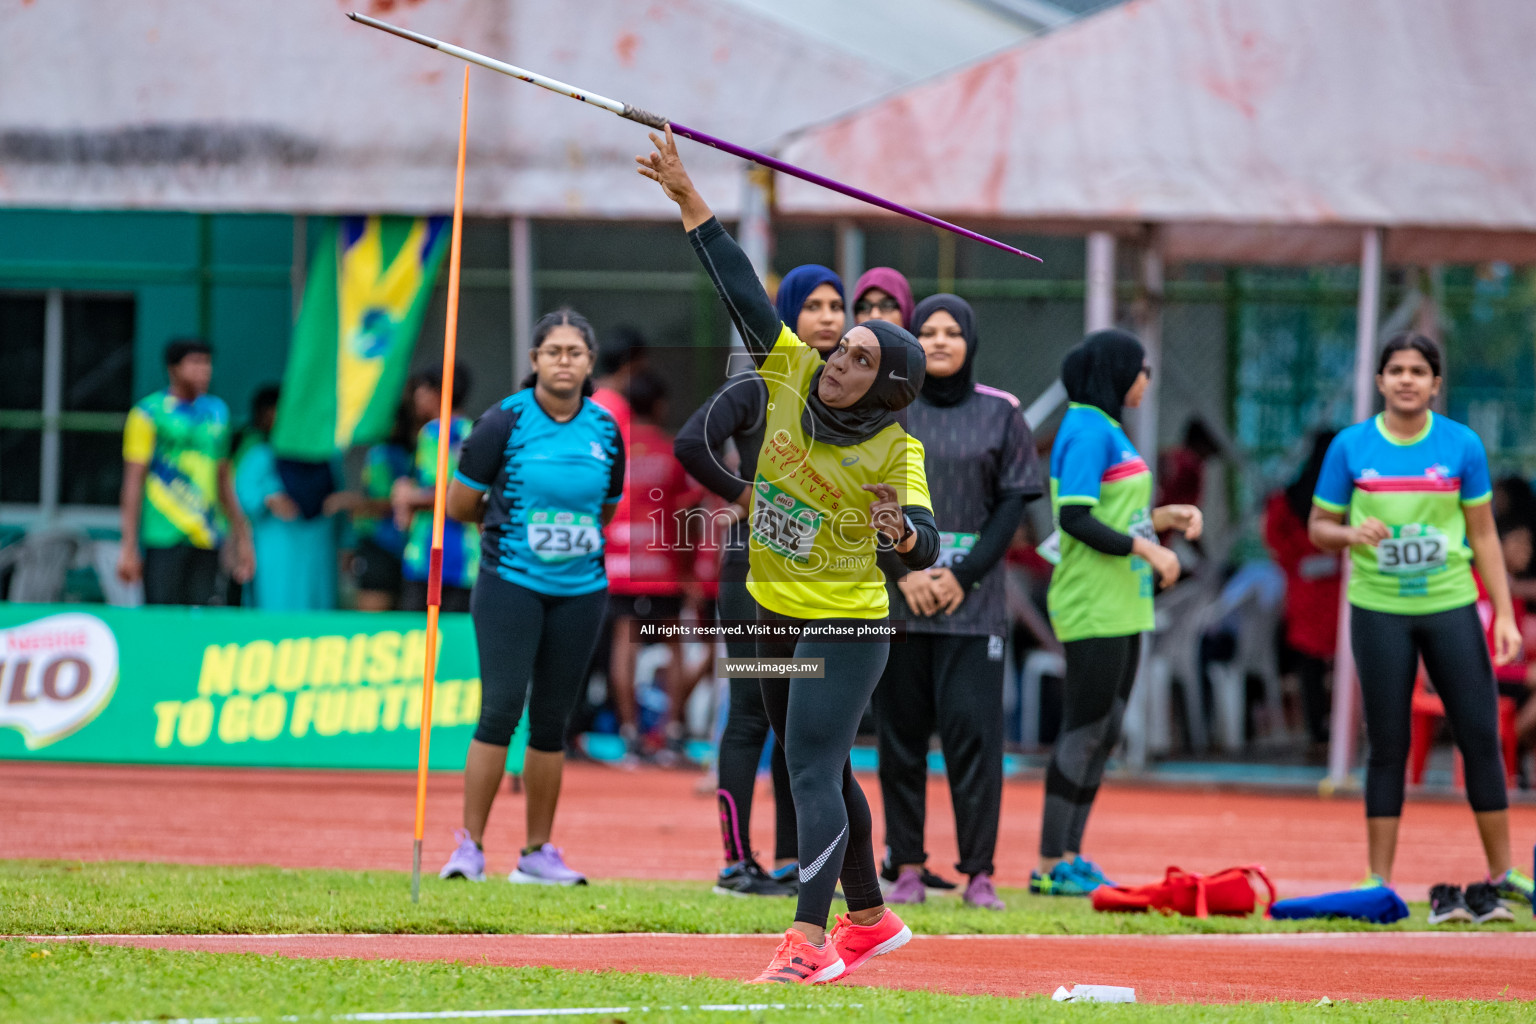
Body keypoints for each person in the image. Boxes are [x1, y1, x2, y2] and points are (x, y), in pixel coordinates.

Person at [641, 125, 938, 984]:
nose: (837, 357)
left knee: (808, 764)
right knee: (817, 761)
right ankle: (873, 920)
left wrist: (900, 534)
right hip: (773, 607)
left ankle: (808, 943)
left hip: (847, 627)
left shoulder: (899, 451)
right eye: (841, 346)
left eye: (858, 359)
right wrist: (691, 198)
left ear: (887, 391)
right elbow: (738, 286)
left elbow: (924, 540)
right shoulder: (787, 369)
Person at [1309, 333, 1533, 912]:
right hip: (1379, 608)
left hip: (1451, 604)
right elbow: (1318, 527)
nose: (1407, 380)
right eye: (1396, 370)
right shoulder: (1350, 447)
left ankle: (1503, 870)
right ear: (1380, 381)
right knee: (1388, 742)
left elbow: (1484, 533)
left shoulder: (1461, 445)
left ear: (1436, 383)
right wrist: (1350, 533)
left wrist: (1504, 614)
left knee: (1480, 734)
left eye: (1418, 371)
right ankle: (1376, 879)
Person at [673, 264, 853, 896]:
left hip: (820, 581)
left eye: (838, 305)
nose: (829, 317)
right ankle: (734, 861)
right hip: (751, 572)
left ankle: (791, 860)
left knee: (799, 719)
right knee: (751, 713)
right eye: (814, 306)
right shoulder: (759, 386)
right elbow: (691, 442)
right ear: (787, 316)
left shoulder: (854, 397)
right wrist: (742, 493)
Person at [438, 308, 624, 886]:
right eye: (553, 351)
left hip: (581, 591)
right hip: (510, 585)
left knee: (551, 722)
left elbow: (607, 509)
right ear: (534, 360)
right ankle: (469, 847)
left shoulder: (605, 429)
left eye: (575, 352)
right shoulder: (503, 423)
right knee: (500, 709)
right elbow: (459, 505)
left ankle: (537, 854)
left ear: (590, 363)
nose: (563, 361)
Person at [874, 294, 1042, 911]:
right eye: (928, 332)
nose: (940, 341)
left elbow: (1012, 506)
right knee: (901, 740)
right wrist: (904, 572)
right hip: (899, 604)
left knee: (975, 739)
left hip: (973, 608)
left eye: (952, 332)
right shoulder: (887, 409)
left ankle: (979, 874)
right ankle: (908, 866)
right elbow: (863, 495)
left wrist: (960, 575)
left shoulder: (1001, 415)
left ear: (970, 342)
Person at [1033, 329, 1201, 897]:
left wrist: (1164, 519)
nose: (1146, 380)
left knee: (1104, 730)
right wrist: (1149, 549)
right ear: (1116, 371)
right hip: (1092, 599)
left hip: (1125, 600)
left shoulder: (1107, 429)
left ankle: (1073, 856)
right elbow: (1076, 518)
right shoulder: (1084, 427)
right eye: (1141, 369)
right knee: (1083, 728)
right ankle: (1049, 861)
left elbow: (1114, 514)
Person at [604, 368, 705, 764]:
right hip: (662, 565)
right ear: (660, 405)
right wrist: (688, 568)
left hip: (620, 563)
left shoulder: (615, 451)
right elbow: (689, 512)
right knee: (674, 645)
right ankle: (674, 735)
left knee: (623, 645)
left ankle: (630, 737)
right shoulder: (671, 452)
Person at [117, 338, 253, 604]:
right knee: (162, 620)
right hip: (163, 535)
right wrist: (128, 546)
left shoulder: (217, 412)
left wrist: (241, 534)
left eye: (207, 363)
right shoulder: (147, 413)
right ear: (173, 368)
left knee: (202, 619)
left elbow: (224, 477)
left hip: (207, 533)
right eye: (195, 363)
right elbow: (133, 481)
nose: (204, 370)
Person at [1263, 431, 1342, 749]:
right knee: (1342, 661)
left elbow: (1273, 536)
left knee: (1309, 662)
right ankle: (1341, 727)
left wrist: (1295, 560)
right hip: (1334, 586)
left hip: (1306, 586)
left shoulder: (1288, 495)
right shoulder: (1343, 492)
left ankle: (1316, 728)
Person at [394, 365, 478, 612]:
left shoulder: (435, 432)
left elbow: (449, 491)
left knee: (423, 639)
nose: (416, 397)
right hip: (466, 561)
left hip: (433, 556)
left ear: (437, 392)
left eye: (421, 389)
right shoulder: (475, 430)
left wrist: (408, 498)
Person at [350, 381, 427, 611]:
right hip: (398, 546)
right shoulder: (411, 451)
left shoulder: (386, 454)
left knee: (375, 623)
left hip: (392, 546)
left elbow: (386, 502)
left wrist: (354, 504)